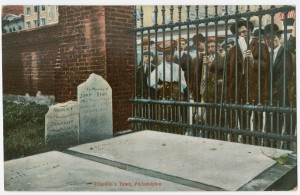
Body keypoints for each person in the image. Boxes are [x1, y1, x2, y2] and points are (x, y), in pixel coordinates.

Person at [227, 19, 270, 145]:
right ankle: (245, 143)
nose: (242, 35)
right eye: (239, 33)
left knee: (257, 119)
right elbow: (227, 71)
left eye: (244, 32)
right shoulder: (232, 50)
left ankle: (256, 143)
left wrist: (252, 61)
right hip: (239, 89)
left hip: (256, 88)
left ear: (250, 31)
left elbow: (266, 66)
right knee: (243, 119)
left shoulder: (261, 46)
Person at [263, 23, 293, 149]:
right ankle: (269, 147)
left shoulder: (285, 53)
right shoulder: (265, 54)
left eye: (274, 37)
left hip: (279, 95)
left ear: (279, 38)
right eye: (268, 38)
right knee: (269, 124)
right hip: (267, 96)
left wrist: (274, 90)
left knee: (277, 122)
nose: (271, 40)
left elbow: (286, 75)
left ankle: (276, 148)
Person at [149, 40, 187, 134]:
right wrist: (158, 86)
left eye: (169, 54)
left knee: (175, 114)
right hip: (164, 93)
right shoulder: (160, 67)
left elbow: (183, 82)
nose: (167, 56)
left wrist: (180, 89)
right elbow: (150, 80)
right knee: (164, 113)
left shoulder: (177, 67)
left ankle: (176, 131)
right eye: (165, 54)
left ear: (173, 54)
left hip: (176, 93)